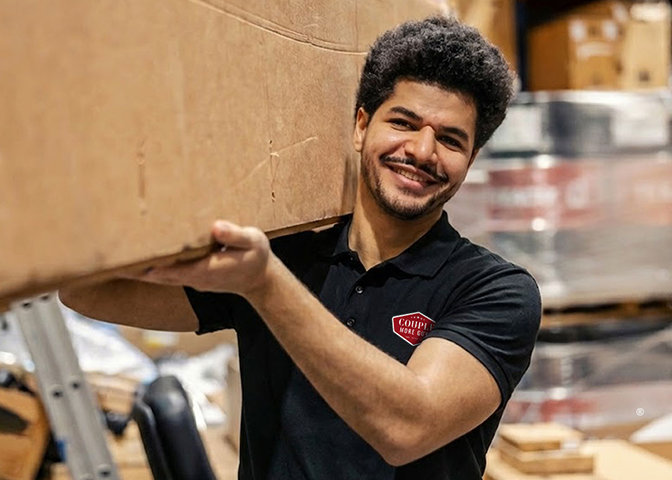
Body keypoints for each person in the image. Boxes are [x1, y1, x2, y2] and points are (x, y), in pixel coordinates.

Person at [61, 16, 541, 480]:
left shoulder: (496, 292)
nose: (421, 151)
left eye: (451, 140)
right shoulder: (285, 257)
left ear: (470, 159)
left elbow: (407, 428)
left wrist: (265, 286)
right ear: (360, 127)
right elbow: (88, 294)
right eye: (404, 122)